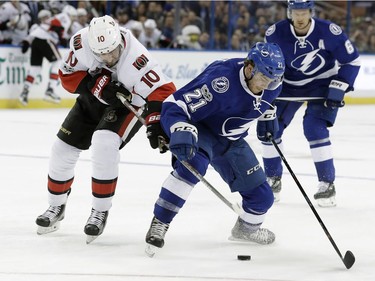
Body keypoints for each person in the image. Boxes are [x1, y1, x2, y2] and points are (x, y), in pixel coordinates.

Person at [35, 15, 176, 243]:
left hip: (127, 105)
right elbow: (67, 76)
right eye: (102, 54)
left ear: (120, 40)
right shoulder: (81, 43)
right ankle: (55, 206)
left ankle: (100, 211)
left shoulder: (137, 58)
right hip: (92, 98)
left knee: (104, 143)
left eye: (113, 51)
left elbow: (164, 90)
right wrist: (96, 85)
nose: (108, 58)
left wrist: (156, 122)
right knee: (62, 148)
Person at [144, 42, 285, 257]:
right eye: (263, 78)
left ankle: (245, 231)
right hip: (204, 132)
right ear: (249, 68)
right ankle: (160, 222)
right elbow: (175, 104)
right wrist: (178, 127)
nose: (267, 85)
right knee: (193, 166)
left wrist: (268, 114)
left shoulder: (274, 83)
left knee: (262, 198)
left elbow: (263, 102)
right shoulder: (222, 81)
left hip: (232, 141)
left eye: (272, 80)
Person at [262, 0, 360, 207]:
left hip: (322, 85)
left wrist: (340, 85)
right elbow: (268, 63)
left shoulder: (329, 32)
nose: (299, 17)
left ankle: (327, 184)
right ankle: (272, 180)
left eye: (303, 12)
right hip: (287, 86)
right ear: (290, 12)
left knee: (314, 128)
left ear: (310, 12)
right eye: (295, 12)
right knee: (269, 129)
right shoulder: (275, 33)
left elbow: (352, 61)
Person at [18, 6, 77, 106]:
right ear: (69, 14)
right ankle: (50, 89)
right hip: (46, 39)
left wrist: (27, 41)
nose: (73, 19)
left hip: (36, 40)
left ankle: (25, 91)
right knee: (58, 62)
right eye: (73, 16)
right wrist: (60, 36)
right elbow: (57, 26)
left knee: (35, 68)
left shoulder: (57, 17)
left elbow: (44, 28)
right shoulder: (65, 17)